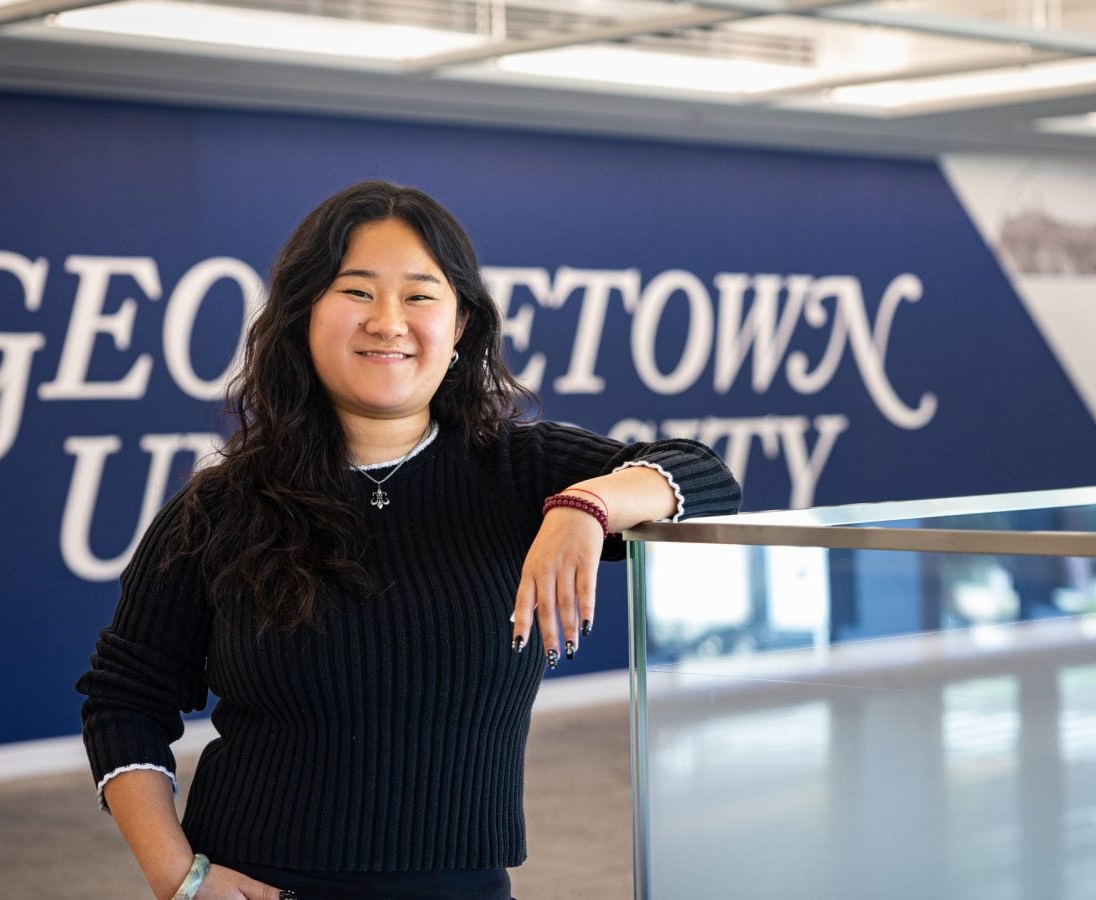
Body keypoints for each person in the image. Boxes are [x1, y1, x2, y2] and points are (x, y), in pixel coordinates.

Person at [77, 180, 741, 900]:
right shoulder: (220, 506)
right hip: (262, 884)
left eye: (420, 295)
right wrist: (179, 877)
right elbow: (125, 701)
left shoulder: (519, 471)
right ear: (302, 316)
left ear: (459, 327)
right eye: (357, 292)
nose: (388, 321)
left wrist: (582, 506)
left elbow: (706, 477)